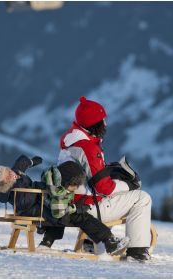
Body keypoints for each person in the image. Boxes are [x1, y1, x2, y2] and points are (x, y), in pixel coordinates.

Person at [57, 96, 153, 261]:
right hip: (86, 208)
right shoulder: (87, 147)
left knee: (120, 194)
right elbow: (104, 188)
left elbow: (90, 177)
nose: (105, 124)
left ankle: (89, 242)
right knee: (142, 198)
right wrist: (129, 185)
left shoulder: (73, 142)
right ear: (94, 123)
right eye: (103, 120)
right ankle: (137, 253)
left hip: (74, 202)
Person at [42, 161, 130, 255]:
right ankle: (108, 241)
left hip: (47, 210)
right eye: (74, 185)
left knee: (83, 216)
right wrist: (76, 208)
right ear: (66, 182)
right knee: (84, 218)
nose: (76, 188)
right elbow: (58, 213)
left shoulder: (54, 182)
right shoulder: (59, 193)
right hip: (54, 215)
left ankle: (46, 243)